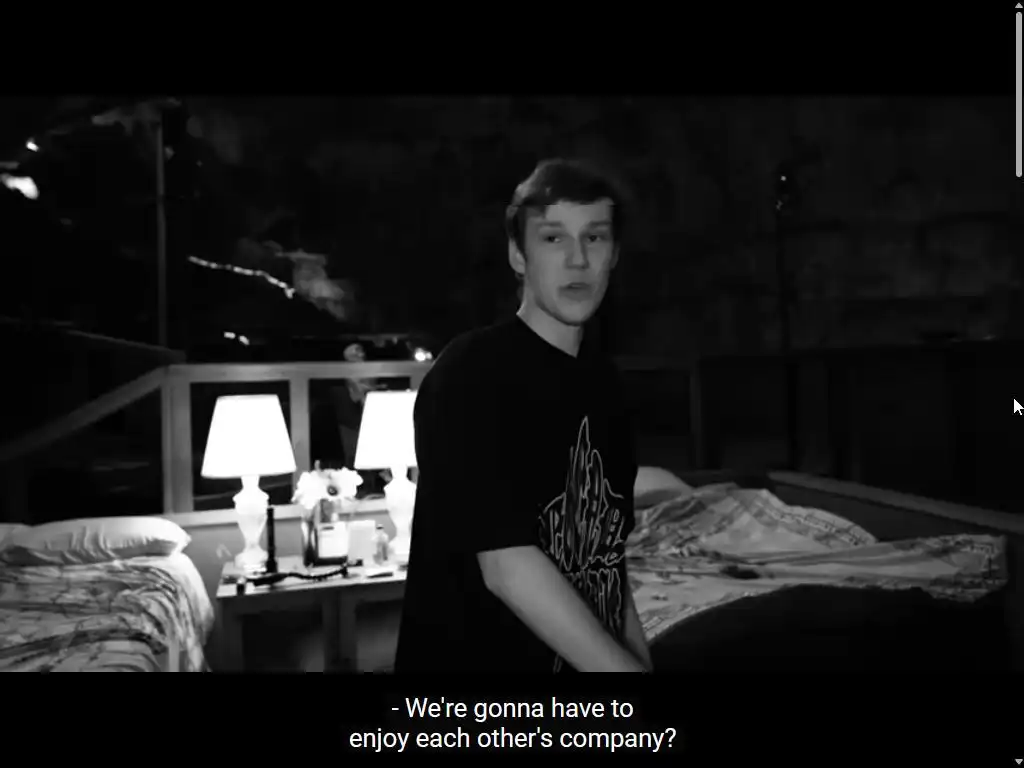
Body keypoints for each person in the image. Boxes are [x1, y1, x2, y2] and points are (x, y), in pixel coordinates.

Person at [394, 158, 651, 673]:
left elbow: (608, 559)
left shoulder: (607, 385)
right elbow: (507, 566)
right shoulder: (470, 373)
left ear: (614, 254)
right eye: (554, 239)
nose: (578, 259)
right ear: (518, 254)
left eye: (595, 237)